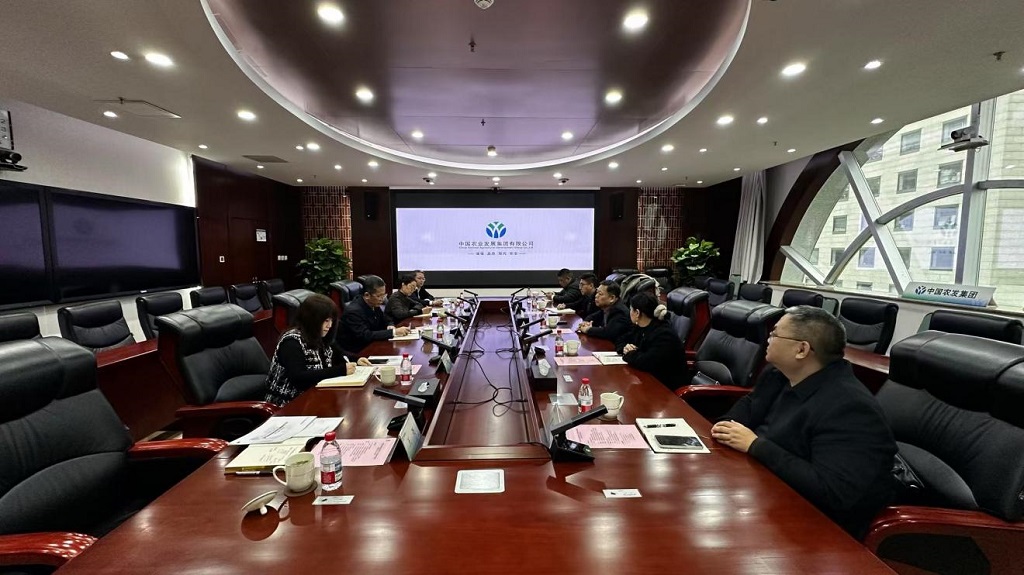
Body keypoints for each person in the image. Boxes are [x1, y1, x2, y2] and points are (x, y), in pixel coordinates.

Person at [710, 306, 898, 539]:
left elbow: (832, 491)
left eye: (775, 334)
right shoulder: (779, 374)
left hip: (816, 526)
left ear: (801, 349)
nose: (768, 339)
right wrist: (726, 426)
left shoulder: (850, 408)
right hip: (764, 487)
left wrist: (756, 445)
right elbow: (749, 406)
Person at [264, 294, 371, 407]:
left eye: (332, 320)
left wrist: (357, 359)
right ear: (312, 320)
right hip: (287, 404)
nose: (330, 325)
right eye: (326, 321)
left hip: (315, 397)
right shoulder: (291, 341)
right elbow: (299, 378)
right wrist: (340, 370)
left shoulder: (319, 336)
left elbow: (340, 354)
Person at [615, 292, 686, 389]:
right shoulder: (640, 327)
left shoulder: (664, 334)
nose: (629, 312)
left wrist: (630, 353)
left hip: (665, 387)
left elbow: (647, 362)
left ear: (637, 313)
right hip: (646, 379)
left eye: (631, 309)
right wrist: (625, 348)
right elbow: (620, 340)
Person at [337, 275, 411, 353]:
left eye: (384, 295)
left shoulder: (373, 303)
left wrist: (390, 325)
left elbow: (385, 319)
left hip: (374, 344)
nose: (382, 299)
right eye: (379, 296)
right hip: (359, 352)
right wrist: (394, 332)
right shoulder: (353, 312)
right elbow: (366, 335)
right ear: (367, 295)